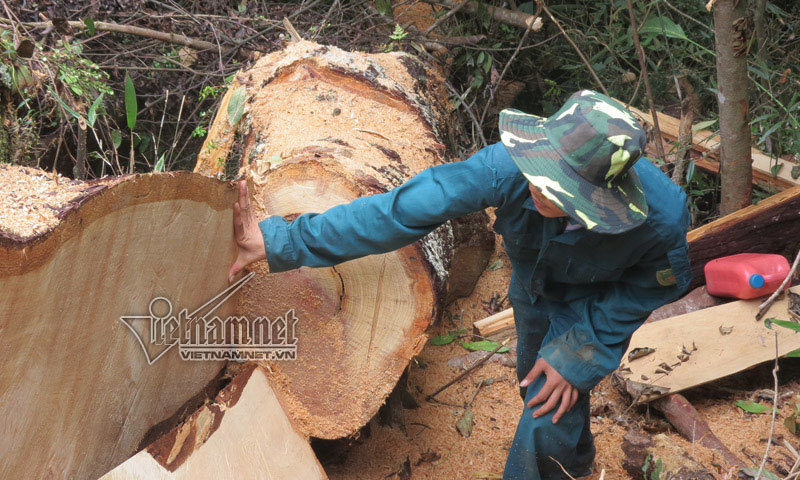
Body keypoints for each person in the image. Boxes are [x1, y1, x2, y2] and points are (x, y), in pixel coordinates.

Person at [227, 90, 692, 479]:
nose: (539, 188)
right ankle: (575, 462)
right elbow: (397, 213)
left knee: (546, 398)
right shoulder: (506, 168)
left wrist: (582, 349)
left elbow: (653, 287)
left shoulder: (662, 219)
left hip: (597, 298)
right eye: (540, 172)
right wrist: (280, 242)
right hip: (534, 283)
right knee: (537, 371)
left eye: (558, 189)